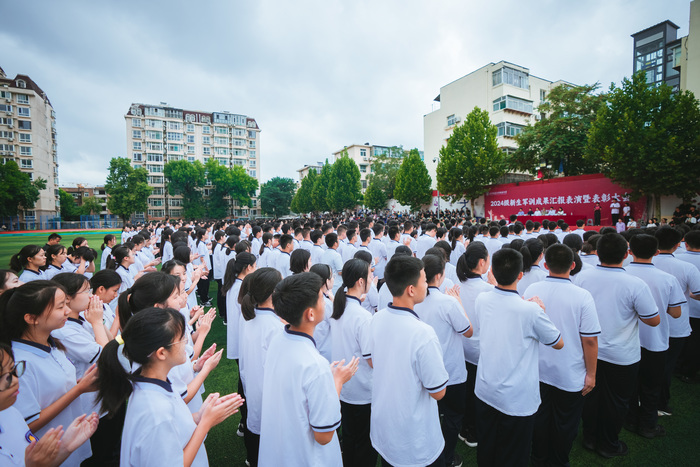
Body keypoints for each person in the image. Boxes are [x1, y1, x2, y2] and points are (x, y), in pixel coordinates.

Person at [96, 307, 243, 466]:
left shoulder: (152, 382)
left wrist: (200, 416)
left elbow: (175, 425)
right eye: (181, 339)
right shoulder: (155, 411)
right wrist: (206, 423)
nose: (187, 342)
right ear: (161, 353)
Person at [474, 248, 563, 467]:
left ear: (492, 270)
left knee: (488, 446)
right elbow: (558, 342)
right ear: (520, 275)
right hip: (516, 397)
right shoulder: (530, 311)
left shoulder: (482, 299)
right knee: (514, 454)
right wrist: (541, 309)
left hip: (486, 388)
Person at [258, 273, 358, 466]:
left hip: (280, 449)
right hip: (306, 456)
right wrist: (336, 382)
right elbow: (324, 435)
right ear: (310, 314)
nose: (325, 299)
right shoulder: (315, 365)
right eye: (322, 296)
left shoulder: (278, 339)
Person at [576, 233, 660, 458]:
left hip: (588, 351)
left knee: (590, 396)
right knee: (617, 401)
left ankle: (590, 438)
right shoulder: (635, 284)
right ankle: (608, 443)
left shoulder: (582, 278)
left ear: (598, 252)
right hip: (621, 356)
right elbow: (653, 319)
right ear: (626, 254)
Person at [0, 281, 99, 466]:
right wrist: (78, 390)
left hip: (69, 443)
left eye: (66, 304)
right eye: (60, 306)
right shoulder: (19, 364)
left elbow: (52, 390)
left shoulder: (51, 343)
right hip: (46, 456)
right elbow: (27, 423)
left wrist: (79, 384)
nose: (67, 311)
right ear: (31, 318)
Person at [367, 255, 449, 467]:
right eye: (423, 279)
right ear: (411, 289)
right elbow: (438, 391)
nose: (426, 284)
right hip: (414, 437)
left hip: (385, 426)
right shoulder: (423, 333)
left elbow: (373, 362)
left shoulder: (377, 319)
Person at [524, 244, 600, 467]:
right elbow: (590, 340)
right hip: (569, 372)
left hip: (538, 369)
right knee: (565, 422)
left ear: (546, 265)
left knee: (540, 417)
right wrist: (592, 374)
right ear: (573, 265)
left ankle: (539, 459)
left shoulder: (532, 290)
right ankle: (557, 461)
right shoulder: (582, 296)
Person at [414, 254, 473, 467]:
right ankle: (446, 457)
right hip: (452, 371)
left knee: (432, 414)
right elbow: (468, 331)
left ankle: (435, 452)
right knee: (453, 416)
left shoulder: (414, 300)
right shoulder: (448, 301)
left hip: (425, 371)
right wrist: (458, 301)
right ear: (439, 275)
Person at [0, 342, 98, 467]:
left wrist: (65, 447)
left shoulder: (11, 413)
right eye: (3, 377)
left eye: (13, 370)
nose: (14, 380)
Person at [624, 234, 684, 439]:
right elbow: (676, 313)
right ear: (656, 253)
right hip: (654, 341)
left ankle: (631, 419)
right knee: (651, 386)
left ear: (630, 251)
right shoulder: (667, 279)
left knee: (630, 385)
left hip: (628, 341)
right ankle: (648, 425)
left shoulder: (622, 273)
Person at [330, 259, 377, 467]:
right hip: (362, 390)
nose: (372, 277)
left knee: (349, 439)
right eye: (369, 274)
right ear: (360, 281)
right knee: (364, 445)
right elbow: (371, 359)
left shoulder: (339, 306)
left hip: (345, 387)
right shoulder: (363, 317)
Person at [238, 268, 284, 467]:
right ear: (274, 292)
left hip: (254, 389)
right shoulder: (275, 327)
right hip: (270, 397)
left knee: (257, 434)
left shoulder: (252, 318)